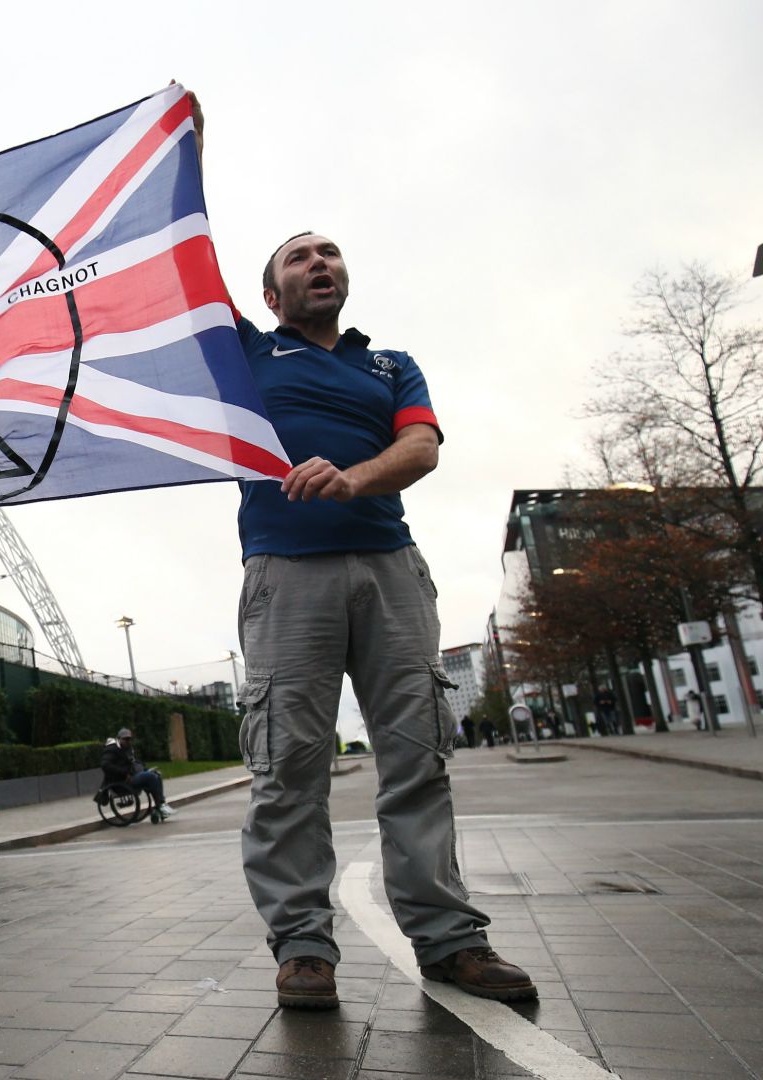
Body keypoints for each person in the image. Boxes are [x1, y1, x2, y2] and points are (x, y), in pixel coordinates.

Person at [188, 92, 535, 1009]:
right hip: (284, 579)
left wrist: (351, 479)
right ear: (272, 294)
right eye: (299, 257)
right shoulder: (246, 357)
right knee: (287, 768)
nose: (319, 263)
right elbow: (181, 268)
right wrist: (187, 161)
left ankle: (450, 942)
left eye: (329, 251)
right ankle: (304, 946)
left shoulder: (392, 366)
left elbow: (420, 449)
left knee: (416, 757)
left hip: (389, 572)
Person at [99, 727, 174, 822]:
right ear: (119, 738)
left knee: (156, 774)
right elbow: (105, 765)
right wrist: (124, 773)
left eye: (129, 739)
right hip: (122, 781)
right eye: (125, 739)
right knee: (150, 776)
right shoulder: (112, 749)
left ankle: (161, 804)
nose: (128, 741)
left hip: (132, 776)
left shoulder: (127, 748)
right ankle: (160, 805)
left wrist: (145, 769)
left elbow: (134, 762)